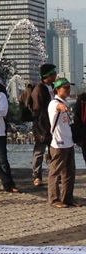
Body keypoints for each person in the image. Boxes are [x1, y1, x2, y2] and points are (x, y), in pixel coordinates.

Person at [46, 78, 79, 208]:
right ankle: (54, 199)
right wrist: (62, 107)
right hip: (58, 144)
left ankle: (67, 198)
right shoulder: (54, 103)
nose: (68, 90)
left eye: (69, 87)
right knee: (55, 172)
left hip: (68, 143)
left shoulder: (64, 101)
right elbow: (58, 107)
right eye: (65, 88)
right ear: (58, 89)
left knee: (69, 173)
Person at [31, 63, 57, 187]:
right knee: (39, 151)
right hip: (42, 125)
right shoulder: (39, 89)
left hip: (53, 124)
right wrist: (41, 127)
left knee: (55, 151)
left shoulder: (53, 87)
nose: (56, 75)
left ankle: (55, 174)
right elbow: (37, 110)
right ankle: (37, 176)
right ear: (48, 75)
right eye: (54, 73)